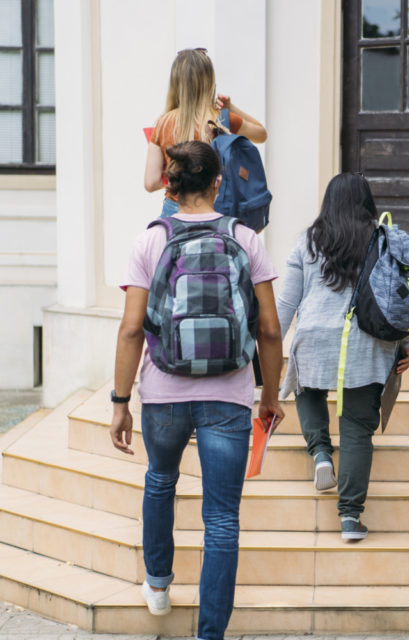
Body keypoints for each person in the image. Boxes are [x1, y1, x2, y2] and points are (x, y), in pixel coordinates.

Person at [110, 141, 284, 639]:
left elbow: (130, 328)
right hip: (227, 395)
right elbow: (270, 329)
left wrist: (121, 403)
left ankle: (159, 584)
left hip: (163, 391)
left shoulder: (150, 241)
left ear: (169, 185)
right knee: (222, 519)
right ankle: (210, 635)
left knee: (160, 480)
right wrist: (268, 394)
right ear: (218, 183)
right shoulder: (247, 239)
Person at [276, 172, 409, 542]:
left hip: (315, 334)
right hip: (367, 341)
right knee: (356, 428)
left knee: (307, 388)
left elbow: (286, 302)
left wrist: (268, 346)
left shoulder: (308, 241)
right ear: (368, 202)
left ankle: (321, 453)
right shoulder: (385, 237)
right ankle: (350, 518)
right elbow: (404, 296)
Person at [144, 48, 267, 217]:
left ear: (175, 83)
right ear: (209, 81)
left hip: (174, 211)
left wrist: (178, 174)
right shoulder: (221, 120)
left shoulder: (163, 124)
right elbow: (261, 133)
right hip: (216, 211)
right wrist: (231, 108)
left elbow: (151, 183)